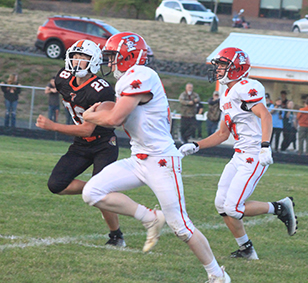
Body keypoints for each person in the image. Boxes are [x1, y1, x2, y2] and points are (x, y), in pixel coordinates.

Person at [82, 32, 231, 283]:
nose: (110, 63)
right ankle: (150, 218)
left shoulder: (142, 74)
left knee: (181, 227)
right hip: (138, 158)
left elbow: (114, 120)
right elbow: (117, 117)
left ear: (130, 55)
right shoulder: (130, 78)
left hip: (161, 161)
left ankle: (217, 275)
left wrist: (89, 116)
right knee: (92, 192)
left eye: (114, 57)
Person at [179, 47, 298, 260]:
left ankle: (279, 208)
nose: (218, 69)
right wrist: (196, 145)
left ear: (236, 68)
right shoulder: (227, 94)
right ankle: (246, 249)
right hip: (239, 154)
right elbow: (223, 134)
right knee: (221, 204)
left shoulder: (245, 87)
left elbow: (266, 116)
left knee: (233, 207)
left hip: (254, 154)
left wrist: (264, 146)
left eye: (223, 65)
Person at [35, 39, 125, 247]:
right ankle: (97, 191)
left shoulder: (101, 89)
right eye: (75, 56)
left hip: (103, 143)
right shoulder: (63, 77)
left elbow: (87, 128)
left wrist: (53, 126)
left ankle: (116, 235)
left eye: (83, 58)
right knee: (55, 185)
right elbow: (63, 90)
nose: (77, 61)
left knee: (100, 193)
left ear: (93, 62)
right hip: (81, 144)